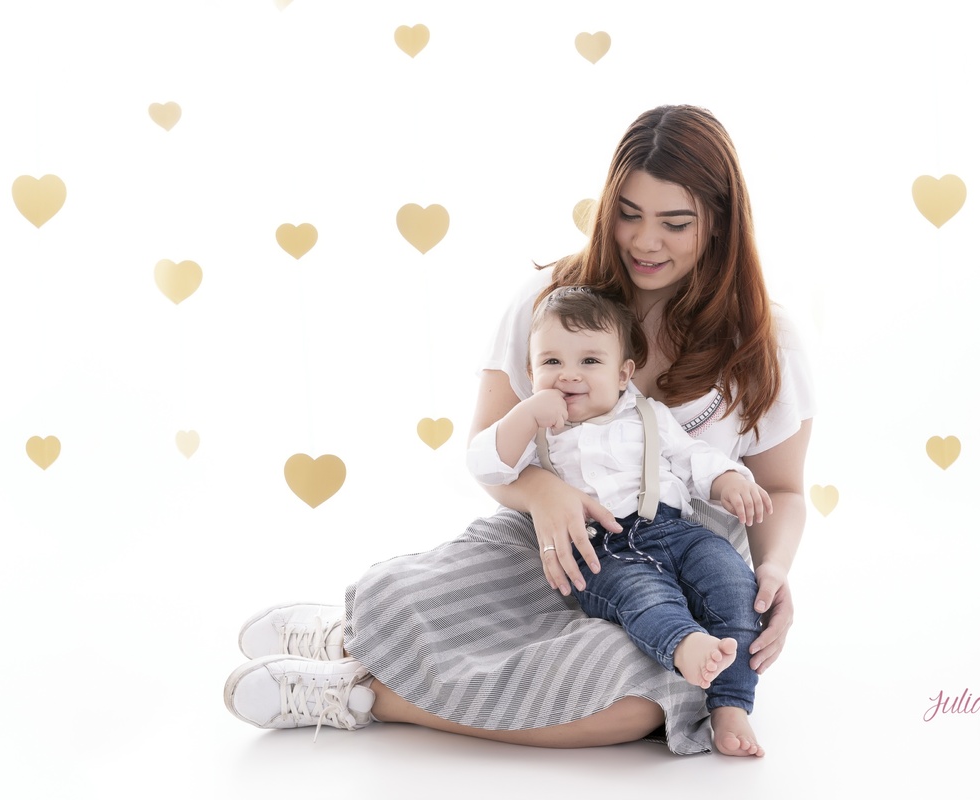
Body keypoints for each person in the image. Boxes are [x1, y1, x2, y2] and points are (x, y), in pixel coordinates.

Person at [224, 104, 815, 757]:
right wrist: (541, 493)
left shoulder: (767, 339)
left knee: (632, 703)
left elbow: (782, 489)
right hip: (556, 540)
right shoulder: (549, 302)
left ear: (722, 223)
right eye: (628, 214)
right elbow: (486, 449)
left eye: (675, 223)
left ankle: (359, 694)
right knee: (393, 597)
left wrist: (775, 571)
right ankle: (348, 637)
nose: (647, 242)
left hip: (684, 565)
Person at [467, 284, 774, 756]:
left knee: (733, 581)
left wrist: (728, 480)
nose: (569, 375)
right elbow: (486, 464)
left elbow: (694, 458)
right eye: (551, 363)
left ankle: (731, 704)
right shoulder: (539, 430)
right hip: (603, 547)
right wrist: (524, 415)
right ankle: (685, 645)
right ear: (531, 373)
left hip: (676, 529)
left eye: (589, 362)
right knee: (644, 596)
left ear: (624, 373)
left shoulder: (648, 416)